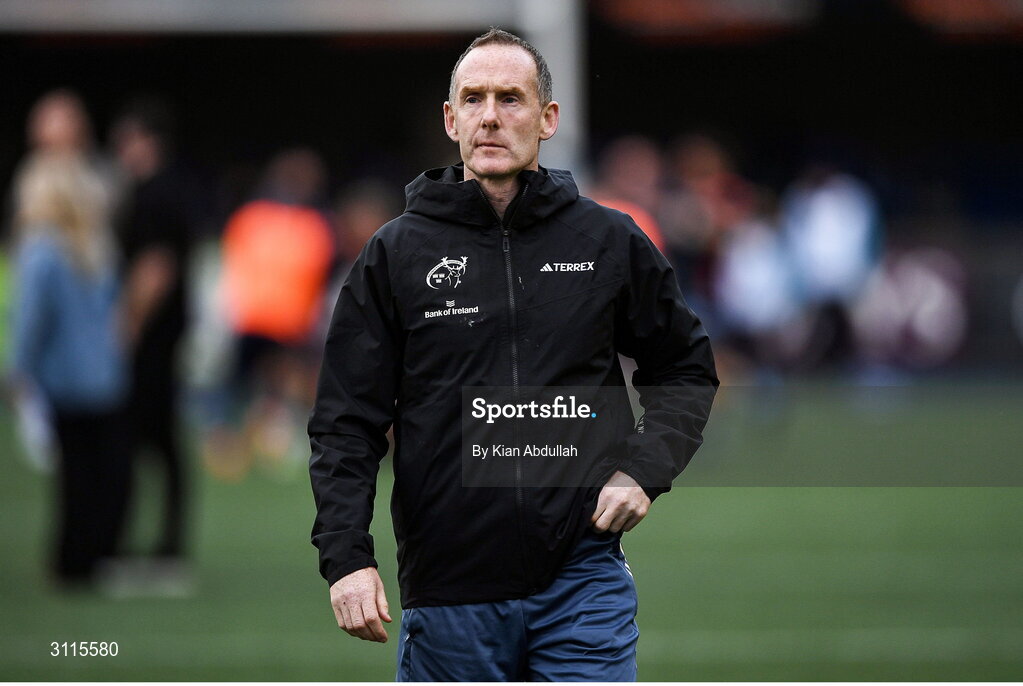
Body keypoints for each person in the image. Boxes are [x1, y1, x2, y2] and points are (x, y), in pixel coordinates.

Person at [308, 28, 717, 681]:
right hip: (449, 592)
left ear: (548, 118)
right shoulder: (394, 255)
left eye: (510, 97)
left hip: (581, 579)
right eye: (472, 99)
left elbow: (685, 368)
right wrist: (347, 557)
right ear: (450, 119)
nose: (490, 115)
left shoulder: (607, 240)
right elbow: (344, 425)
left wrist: (644, 469)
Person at [8, 151, 129, 587]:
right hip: (103, 375)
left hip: (66, 378)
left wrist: (18, 372)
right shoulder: (96, 247)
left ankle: (72, 561)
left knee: (75, 476)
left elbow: (31, 319)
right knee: (98, 474)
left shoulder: (42, 249)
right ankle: (90, 556)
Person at [110, 96, 201, 564]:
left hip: (152, 339)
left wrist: (126, 325)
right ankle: (166, 539)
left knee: (142, 440)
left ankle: (146, 540)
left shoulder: (152, 194)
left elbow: (155, 267)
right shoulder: (173, 190)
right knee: (161, 442)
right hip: (167, 336)